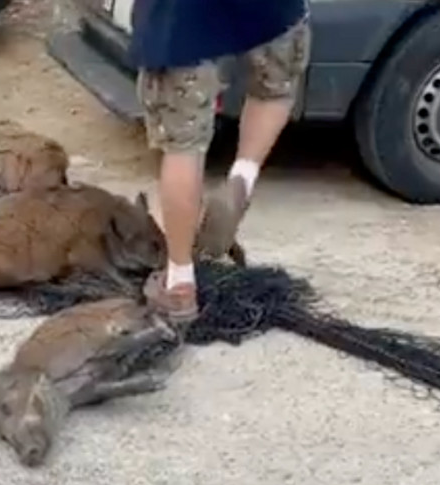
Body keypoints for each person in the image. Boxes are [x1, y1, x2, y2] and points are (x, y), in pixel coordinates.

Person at [129, 0, 312, 324]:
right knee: (275, 88)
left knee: (184, 145)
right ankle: (242, 178)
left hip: (183, 18)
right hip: (271, 11)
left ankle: (180, 284)